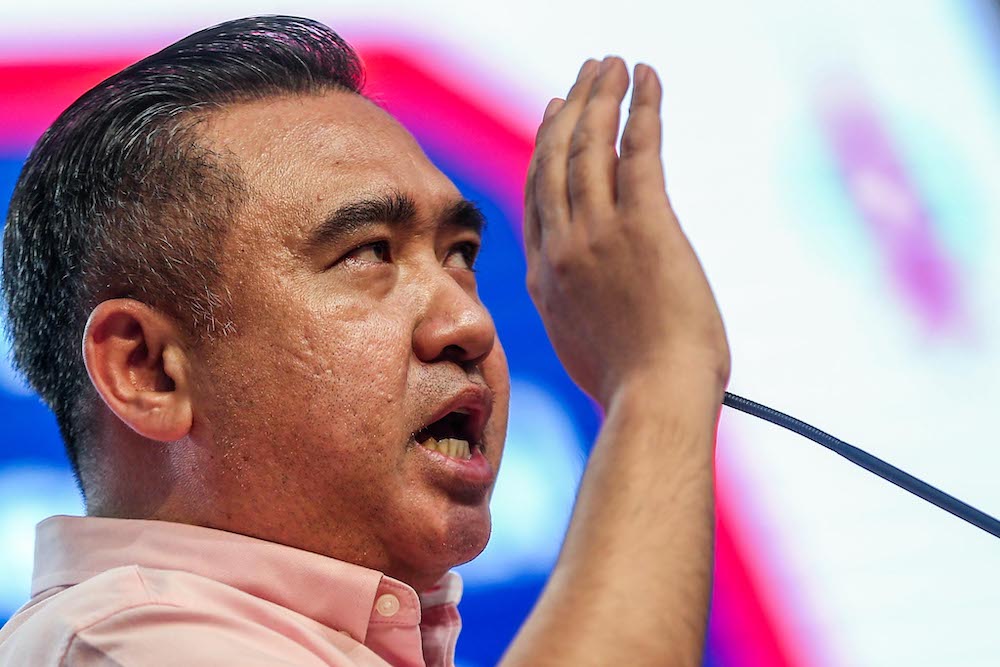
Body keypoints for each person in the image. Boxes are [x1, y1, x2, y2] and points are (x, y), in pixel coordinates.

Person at [0, 15, 729, 667]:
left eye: (461, 255)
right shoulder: (121, 646)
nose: (468, 325)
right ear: (149, 369)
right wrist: (662, 380)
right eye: (369, 252)